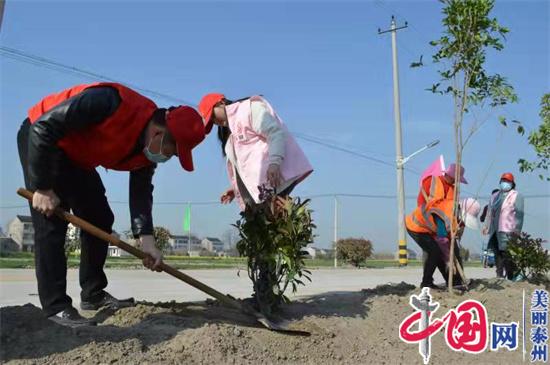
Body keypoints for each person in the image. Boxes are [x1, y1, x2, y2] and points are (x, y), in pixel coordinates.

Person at [17, 82, 205, 327]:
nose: (169, 157)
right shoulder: (110, 102)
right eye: (173, 151)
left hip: (77, 156)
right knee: (51, 220)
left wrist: (147, 240)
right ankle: (56, 307)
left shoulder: (146, 154)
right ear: (159, 134)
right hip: (42, 139)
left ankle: (93, 295)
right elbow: (44, 127)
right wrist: (42, 187)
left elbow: (141, 193)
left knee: (100, 217)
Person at [197, 93, 312, 210]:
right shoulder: (232, 131)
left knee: (271, 221)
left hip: (272, 180)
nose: (215, 121)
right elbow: (246, 164)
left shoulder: (250, 109)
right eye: (212, 121)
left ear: (221, 103)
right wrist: (236, 188)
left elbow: (274, 133)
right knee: (267, 222)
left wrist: (274, 163)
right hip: (262, 189)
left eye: (212, 116)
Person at [405, 163, 468, 289]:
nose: (456, 181)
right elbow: (422, 203)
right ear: (449, 175)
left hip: (434, 225)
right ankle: (426, 283)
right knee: (435, 252)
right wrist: (448, 259)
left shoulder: (453, 192)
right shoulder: (431, 181)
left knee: (448, 251)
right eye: (455, 178)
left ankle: (455, 282)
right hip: (418, 226)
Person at [483, 173, 524, 280]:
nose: (504, 183)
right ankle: (499, 275)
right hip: (495, 228)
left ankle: (512, 275)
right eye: (503, 180)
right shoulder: (494, 196)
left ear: (512, 183)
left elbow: (519, 214)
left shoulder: (516, 195)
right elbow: (489, 212)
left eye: (507, 181)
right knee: (497, 251)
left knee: (506, 252)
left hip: (507, 228)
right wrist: (486, 226)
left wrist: (517, 229)